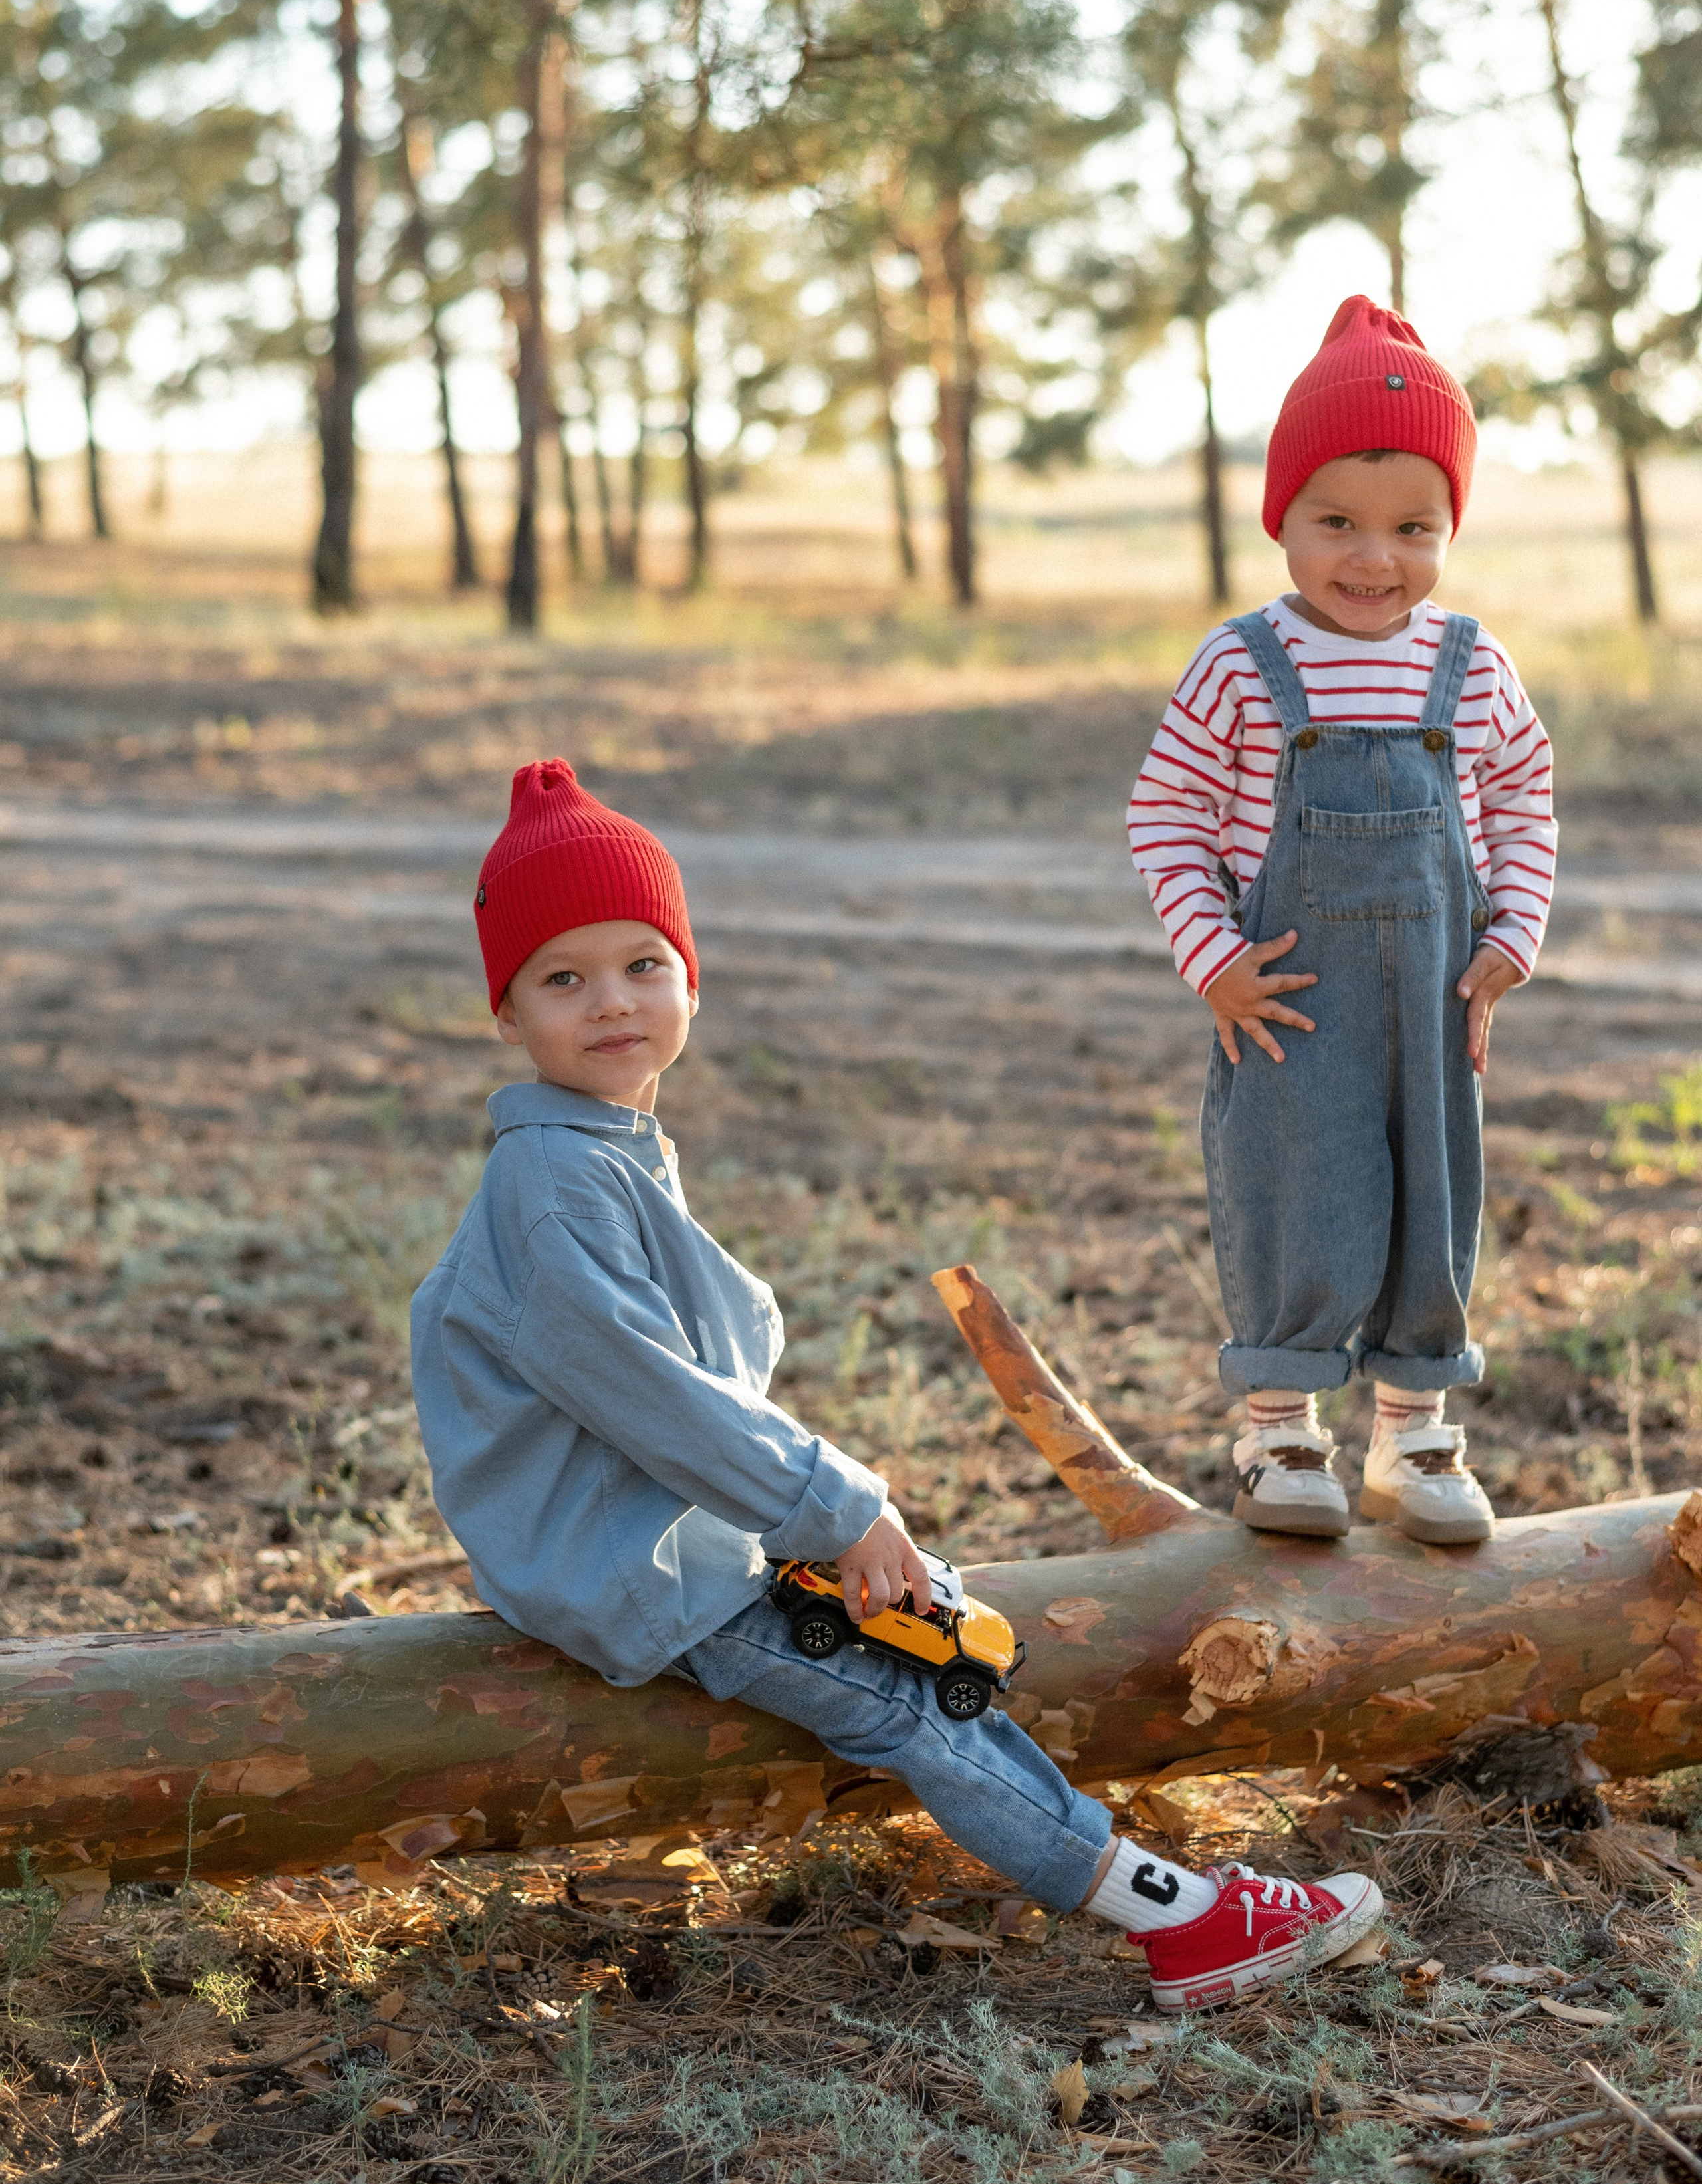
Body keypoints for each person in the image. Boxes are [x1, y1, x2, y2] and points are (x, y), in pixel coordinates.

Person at [409, 758, 1382, 2010]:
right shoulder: (549, 1187)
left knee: (930, 1649)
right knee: (897, 1701)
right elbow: (654, 1394)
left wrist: (827, 1513)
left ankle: (1146, 1875)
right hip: (628, 1565)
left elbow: (688, 1391)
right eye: (563, 978)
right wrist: (835, 1506)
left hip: (670, 1529)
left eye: (644, 964)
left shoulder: (608, 1154)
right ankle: (1178, 1921)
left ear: (691, 982)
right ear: (509, 1017)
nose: (612, 1002)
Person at [1128, 295, 1556, 1546]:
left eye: (1413, 528)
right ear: (1284, 520)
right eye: (1337, 524)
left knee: (1435, 1194)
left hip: (1434, 995)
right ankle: (1279, 1432)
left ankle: (1415, 1439)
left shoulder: (1471, 667)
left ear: (1449, 528)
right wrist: (1214, 963)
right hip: (1287, 997)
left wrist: (1508, 941)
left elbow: (1525, 798)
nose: (1375, 558)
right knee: (1300, 1190)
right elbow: (1165, 813)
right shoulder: (1240, 663)